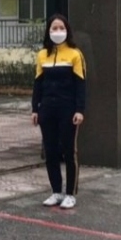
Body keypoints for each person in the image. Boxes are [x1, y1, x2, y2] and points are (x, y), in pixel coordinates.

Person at [31, 14, 86, 209]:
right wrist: (34, 108)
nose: (57, 31)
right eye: (53, 28)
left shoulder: (74, 54)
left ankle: (70, 193)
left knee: (69, 151)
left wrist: (80, 109)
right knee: (51, 151)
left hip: (68, 109)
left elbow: (80, 85)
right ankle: (56, 191)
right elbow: (38, 83)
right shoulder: (42, 55)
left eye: (60, 28)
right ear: (48, 31)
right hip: (47, 109)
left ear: (67, 30)